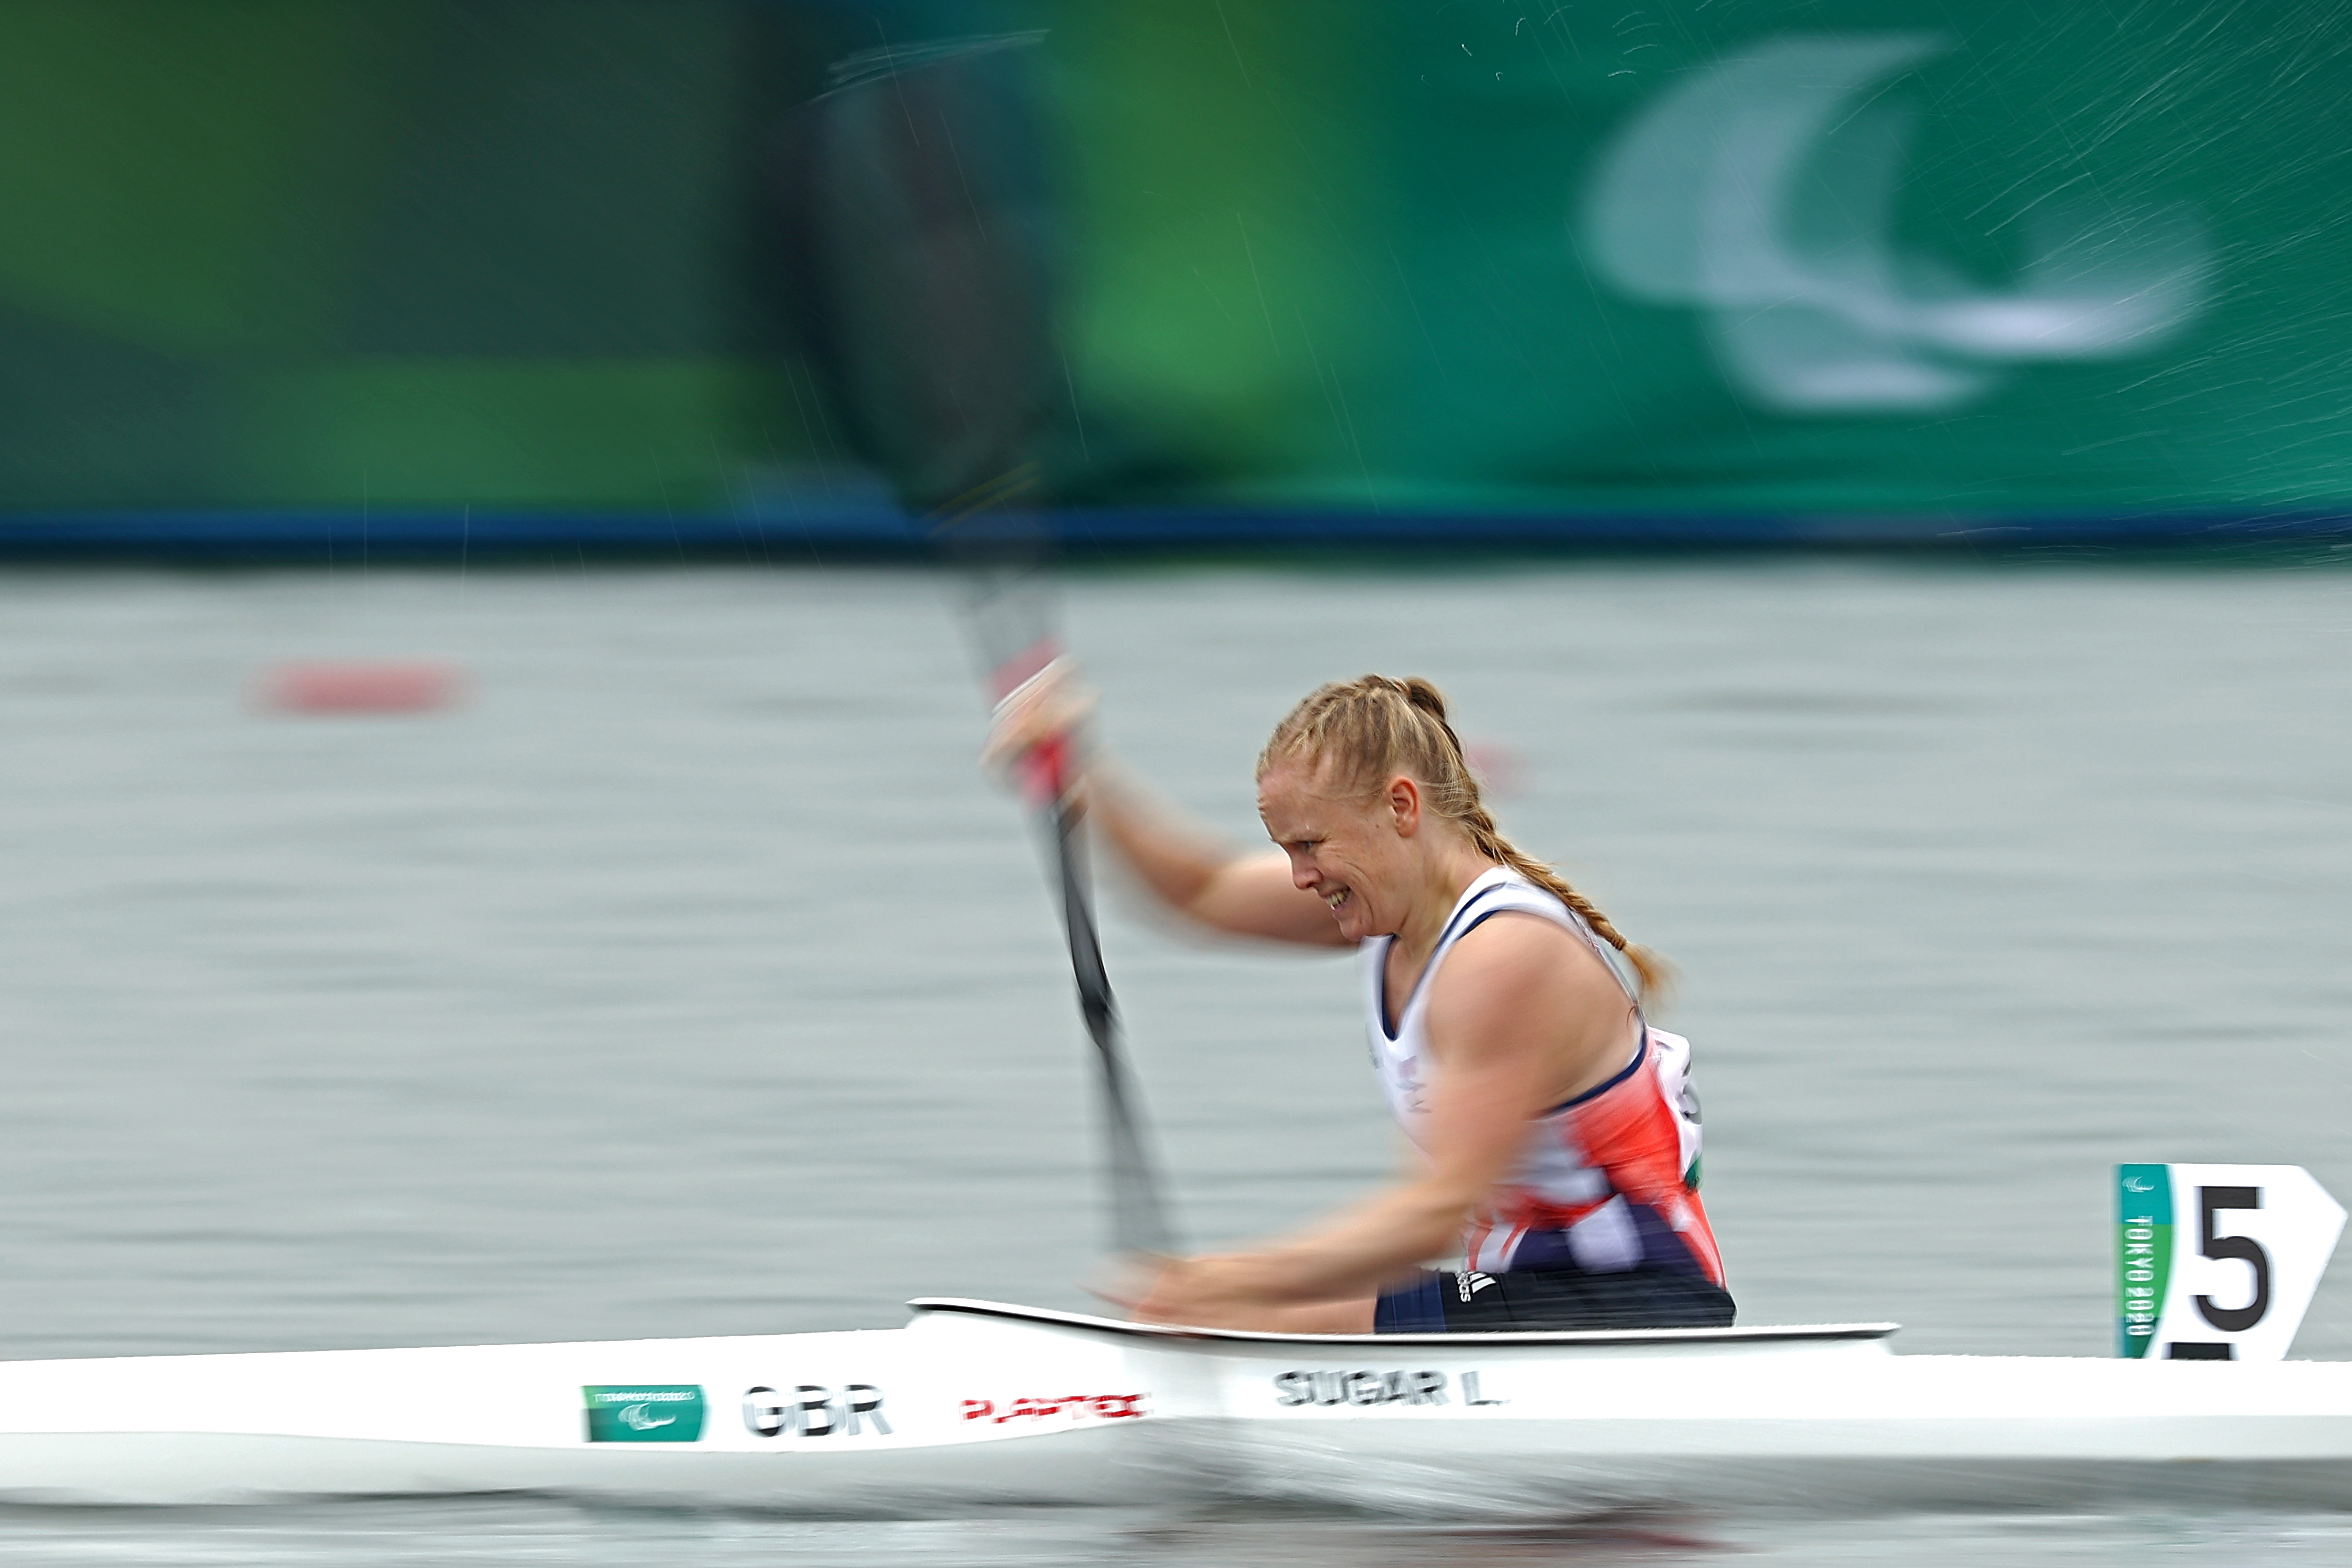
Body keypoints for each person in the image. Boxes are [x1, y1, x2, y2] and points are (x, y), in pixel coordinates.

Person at [987, 668, 1730, 1335]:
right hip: (1527, 1295)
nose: (1300, 877)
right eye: (1286, 850)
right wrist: (1079, 773)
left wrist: (1222, 1281)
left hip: (1636, 1305)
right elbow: (1202, 893)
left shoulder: (1502, 956)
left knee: (1254, 1315)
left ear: (1401, 807)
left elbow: (1432, 1213)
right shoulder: (1394, 905)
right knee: (1254, 1313)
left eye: (1310, 845)